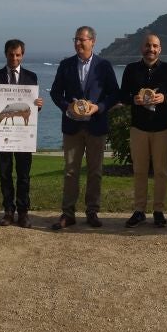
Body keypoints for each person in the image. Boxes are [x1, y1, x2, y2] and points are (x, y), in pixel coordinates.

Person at [49, 26, 120, 229]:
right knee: (70, 172)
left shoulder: (104, 65)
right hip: (72, 127)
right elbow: (55, 93)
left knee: (95, 171)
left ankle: (92, 212)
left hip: (96, 126)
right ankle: (68, 213)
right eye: (76, 40)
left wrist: (99, 107)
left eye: (82, 40)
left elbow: (115, 94)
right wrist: (68, 108)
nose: (78, 43)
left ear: (93, 41)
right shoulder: (66, 65)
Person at [119, 33, 167, 228]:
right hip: (138, 128)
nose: (151, 49)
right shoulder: (131, 70)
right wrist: (133, 100)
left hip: (162, 128)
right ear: (142, 48)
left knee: (161, 172)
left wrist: (165, 98)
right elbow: (123, 96)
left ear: (160, 49)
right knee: (139, 171)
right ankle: (139, 211)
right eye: (148, 45)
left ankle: (158, 210)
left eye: (155, 46)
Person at [0, 39, 44, 229]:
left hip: (23, 136)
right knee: (4, 174)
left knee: (24, 175)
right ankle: (8, 211)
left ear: (23, 55)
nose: (14, 58)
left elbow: (32, 110)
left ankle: (24, 212)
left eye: (18, 54)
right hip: (3, 134)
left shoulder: (31, 77)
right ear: (6, 54)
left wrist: (38, 106)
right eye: (11, 54)